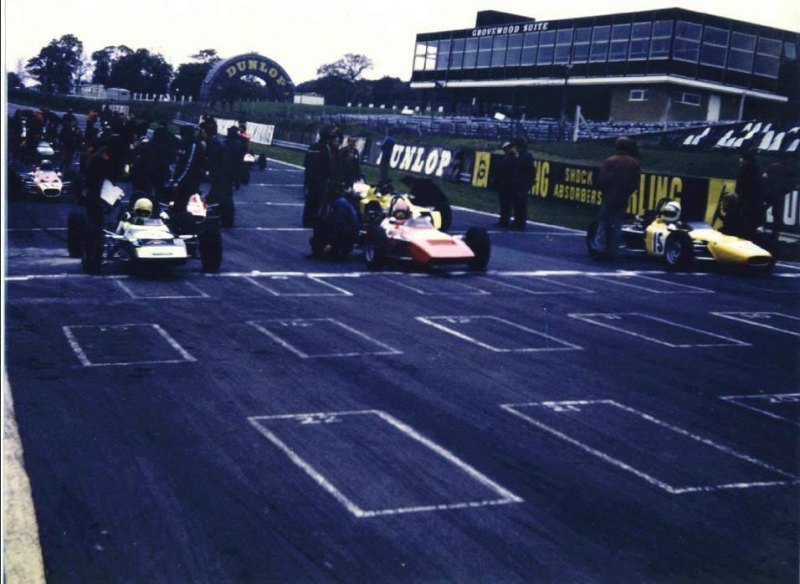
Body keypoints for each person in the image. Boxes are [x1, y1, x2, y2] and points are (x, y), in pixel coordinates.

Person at [590, 136, 641, 260]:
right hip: (623, 197)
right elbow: (636, 183)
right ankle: (613, 251)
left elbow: (603, 180)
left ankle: (599, 249)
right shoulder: (634, 163)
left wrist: (603, 191)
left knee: (603, 223)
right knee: (618, 224)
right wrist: (627, 192)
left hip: (609, 197)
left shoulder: (610, 161)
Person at [762, 154, 795, 248]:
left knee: (763, 209)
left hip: (769, 193)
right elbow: (792, 184)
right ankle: (775, 235)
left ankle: (761, 228)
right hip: (779, 194)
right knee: (777, 215)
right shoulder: (789, 170)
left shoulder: (773, 167)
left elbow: (764, 177)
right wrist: (784, 190)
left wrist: (767, 188)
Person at [734, 149, 764, 241]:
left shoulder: (743, 172)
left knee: (744, 226)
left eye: (742, 158)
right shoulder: (758, 171)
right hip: (755, 203)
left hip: (746, 203)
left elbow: (739, 188)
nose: (740, 160)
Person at [510, 137, 535, 230]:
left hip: (523, 184)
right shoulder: (520, 156)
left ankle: (520, 222)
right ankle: (517, 220)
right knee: (516, 203)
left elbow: (531, 172)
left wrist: (528, 183)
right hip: (518, 183)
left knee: (521, 204)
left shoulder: (527, 156)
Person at [493, 141, 517, 228]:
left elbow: (509, 170)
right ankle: (503, 219)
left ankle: (505, 220)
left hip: (508, 184)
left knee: (507, 203)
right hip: (504, 183)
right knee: (503, 203)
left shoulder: (512, 158)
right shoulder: (506, 157)